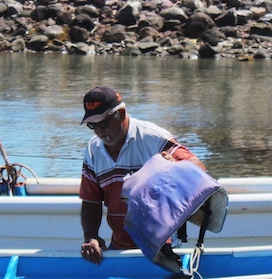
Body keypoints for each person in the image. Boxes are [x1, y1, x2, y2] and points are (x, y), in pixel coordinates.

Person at [79, 86, 204, 265]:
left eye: (104, 123)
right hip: (120, 246)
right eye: (93, 126)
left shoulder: (153, 138)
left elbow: (198, 169)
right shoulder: (93, 149)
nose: (100, 132)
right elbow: (91, 200)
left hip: (163, 246)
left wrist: (173, 167)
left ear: (121, 114)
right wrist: (91, 236)